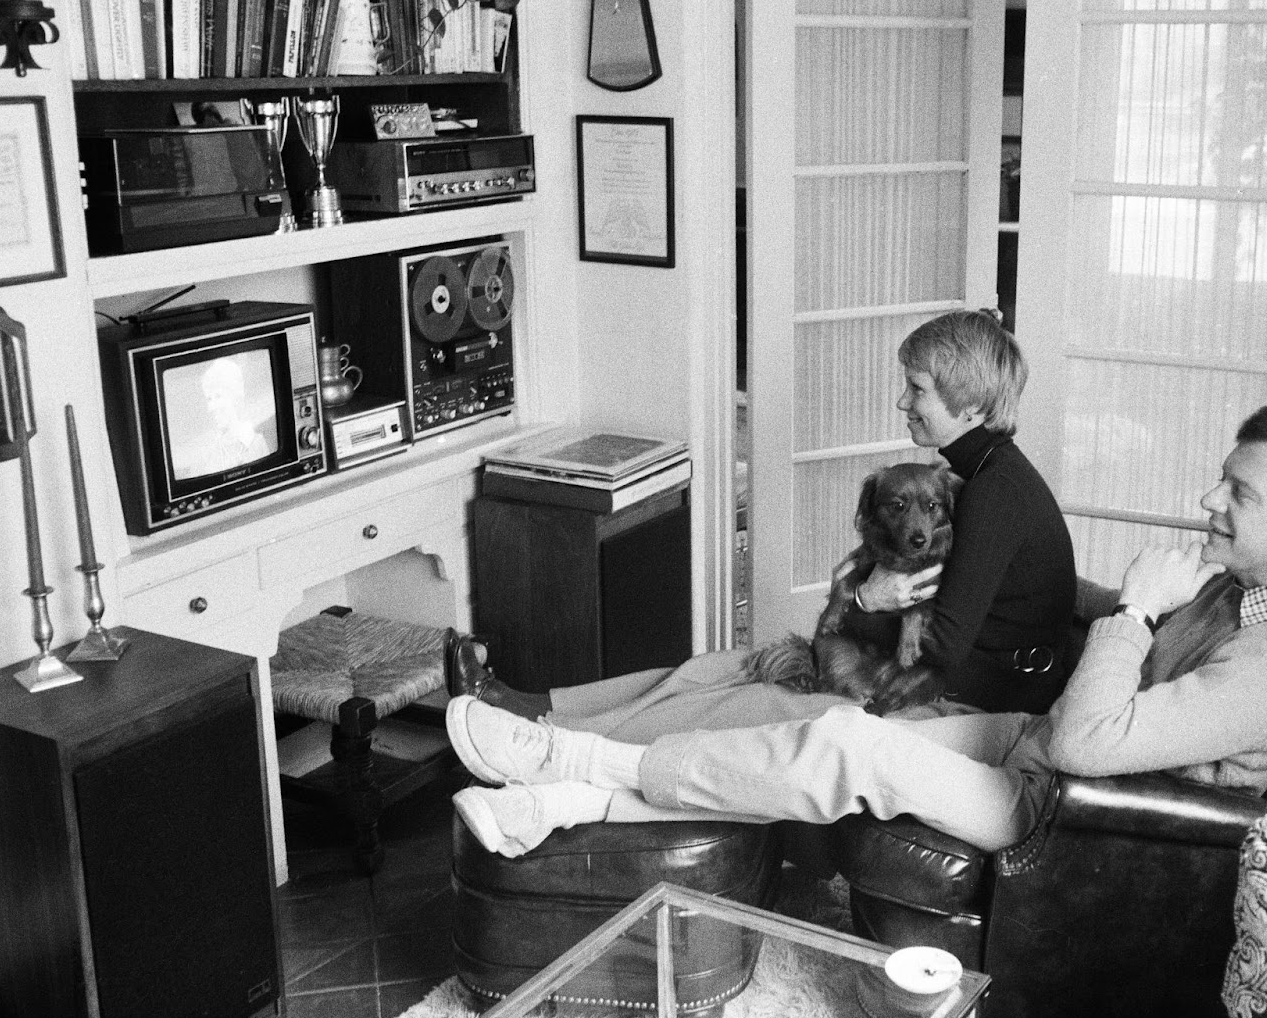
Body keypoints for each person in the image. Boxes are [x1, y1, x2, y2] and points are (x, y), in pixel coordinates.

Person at [444, 404, 1267, 859]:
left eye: (1240, 493)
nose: (1208, 500)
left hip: (1067, 808)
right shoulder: (1256, 586)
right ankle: (567, 800)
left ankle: (579, 759)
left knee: (847, 741)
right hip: (1033, 745)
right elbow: (1123, 643)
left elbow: (1094, 740)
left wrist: (1136, 610)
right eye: (1223, 477)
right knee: (822, 736)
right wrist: (1085, 594)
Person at [453, 308, 1077, 728]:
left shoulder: (996, 495)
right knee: (717, 666)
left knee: (739, 705)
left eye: (918, 389)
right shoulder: (982, 476)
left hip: (965, 703)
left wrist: (863, 602)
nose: (901, 401)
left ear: (968, 405)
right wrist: (862, 603)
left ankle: (551, 736)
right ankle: (534, 705)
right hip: (922, 673)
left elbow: (939, 645)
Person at [191, 358, 275, 475]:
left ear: (235, 398)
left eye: (218, 396)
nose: (211, 408)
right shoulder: (205, 454)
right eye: (209, 399)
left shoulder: (258, 443)